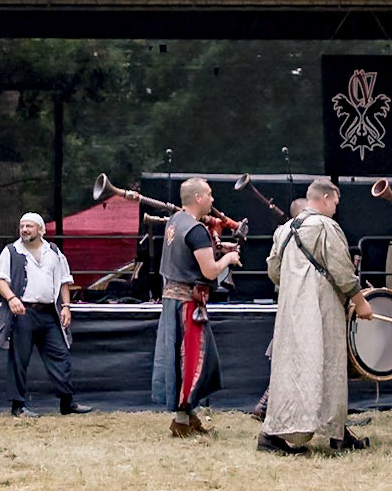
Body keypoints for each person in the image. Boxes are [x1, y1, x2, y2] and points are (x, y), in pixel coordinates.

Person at [258, 178, 374, 455]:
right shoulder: (325, 227)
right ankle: (334, 434)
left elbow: (274, 271)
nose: (335, 207)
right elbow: (343, 271)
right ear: (324, 198)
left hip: (291, 311)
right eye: (334, 201)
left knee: (293, 370)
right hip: (321, 310)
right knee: (329, 366)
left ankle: (328, 431)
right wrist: (361, 303)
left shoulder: (284, 230)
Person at [151, 178, 241, 437]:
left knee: (187, 359)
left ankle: (188, 415)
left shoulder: (175, 222)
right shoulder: (195, 230)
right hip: (188, 305)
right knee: (192, 361)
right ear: (199, 197)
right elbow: (210, 271)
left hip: (174, 301)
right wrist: (228, 257)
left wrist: (216, 245)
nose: (213, 200)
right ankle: (181, 420)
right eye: (210, 195)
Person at [0, 211, 87, 417]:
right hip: (23, 312)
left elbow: (64, 281)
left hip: (48, 313)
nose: (24, 230)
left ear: (40, 229)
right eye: (22, 226)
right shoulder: (11, 251)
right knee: (19, 359)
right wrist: (11, 298)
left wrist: (66, 307)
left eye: (29, 226)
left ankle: (67, 402)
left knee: (60, 355)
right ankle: (18, 405)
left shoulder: (53, 252)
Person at [251, 197, 308, 422]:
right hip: (297, 304)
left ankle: (266, 405)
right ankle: (265, 405)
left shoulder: (285, 236)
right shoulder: (291, 237)